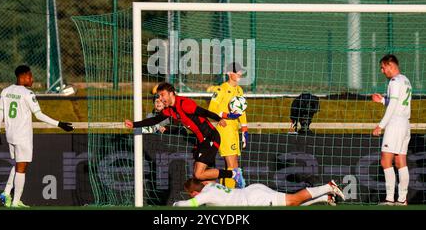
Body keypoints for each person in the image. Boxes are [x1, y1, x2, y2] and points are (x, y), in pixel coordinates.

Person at [125, 82, 246, 187]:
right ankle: (224, 185)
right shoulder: (170, 110)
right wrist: (134, 124)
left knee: (199, 174)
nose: (160, 99)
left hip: (210, 136)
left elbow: (204, 112)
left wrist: (218, 118)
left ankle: (234, 174)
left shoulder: (184, 103)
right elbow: (154, 120)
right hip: (202, 141)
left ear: (171, 93)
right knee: (200, 176)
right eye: (159, 96)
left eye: (162, 95)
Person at [0, 65, 74, 208]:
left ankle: (6, 193)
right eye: (30, 76)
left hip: (10, 135)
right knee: (21, 168)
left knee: (18, 164)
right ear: (23, 76)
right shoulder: (27, 93)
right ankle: (16, 202)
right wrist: (59, 123)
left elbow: (0, 113)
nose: (32, 79)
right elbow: (39, 115)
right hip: (22, 136)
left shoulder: (5, 91)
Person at [371, 54, 412, 206]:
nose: (382, 71)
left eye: (383, 67)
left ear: (390, 65)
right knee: (400, 161)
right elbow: (398, 101)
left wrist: (380, 126)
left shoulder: (394, 81)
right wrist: (382, 100)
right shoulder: (405, 80)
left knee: (385, 160)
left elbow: (393, 106)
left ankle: (389, 199)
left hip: (395, 124)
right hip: (405, 123)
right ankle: (402, 200)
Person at [207, 62, 248, 188]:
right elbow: (211, 109)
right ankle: (228, 195)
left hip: (234, 130)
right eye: (237, 72)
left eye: (241, 72)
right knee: (232, 166)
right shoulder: (221, 89)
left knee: (234, 165)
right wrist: (224, 117)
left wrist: (244, 129)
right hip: (225, 130)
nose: (240, 74)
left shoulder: (239, 90)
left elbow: (242, 111)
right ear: (230, 74)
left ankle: (229, 192)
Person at [173, 178, 345, 207]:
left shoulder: (204, 195)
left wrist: (175, 204)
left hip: (253, 199)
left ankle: (328, 186)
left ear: (195, 193)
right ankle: (324, 197)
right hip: (253, 190)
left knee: (292, 200)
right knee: (290, 204)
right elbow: (209, 182)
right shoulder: (210, 186)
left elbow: (190, 204)